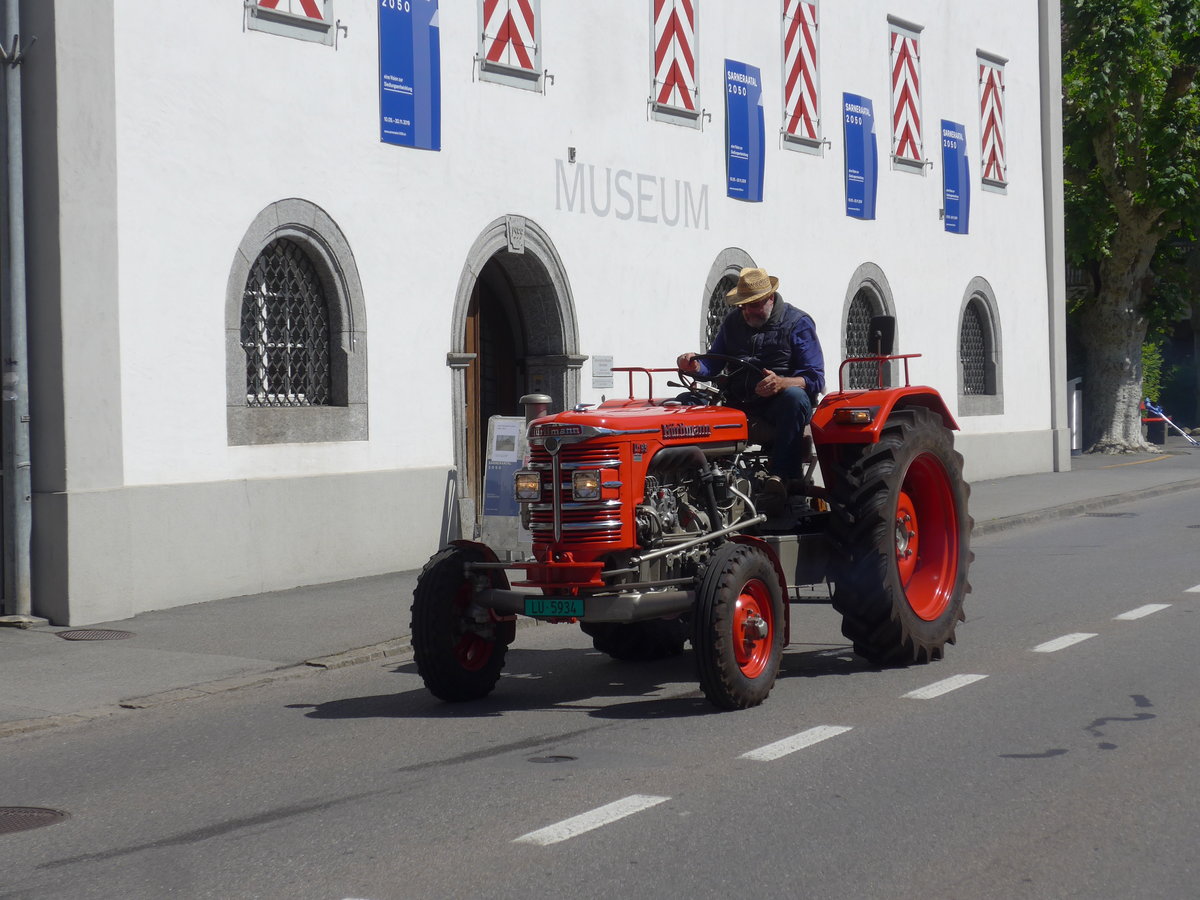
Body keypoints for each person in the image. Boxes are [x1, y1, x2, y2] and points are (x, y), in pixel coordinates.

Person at [677, 266, 825, 490]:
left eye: (753, 305)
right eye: (743, 306)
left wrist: (782, 383)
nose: (747, 312)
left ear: (770, 298)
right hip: (737, 401)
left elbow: (815, 378)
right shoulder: (732, 323)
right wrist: (695, 364)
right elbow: (713, 364)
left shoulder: (797, 323)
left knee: (794, 398)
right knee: (685, 402)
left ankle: (783, 478)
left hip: (777, 406)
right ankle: (694, 480)